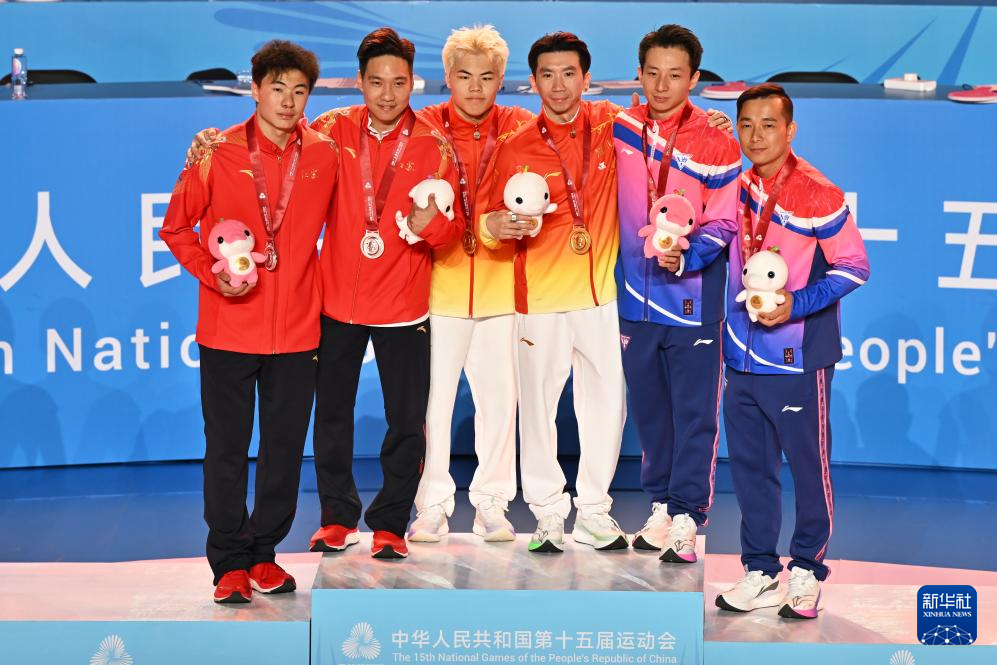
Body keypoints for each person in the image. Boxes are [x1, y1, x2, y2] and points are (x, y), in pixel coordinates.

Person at [677, 84, 870, 618]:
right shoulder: (734, 189)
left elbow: (855, 267)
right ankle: (760, 570)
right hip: (740, 357)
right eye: (746, 125)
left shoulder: (817, 193)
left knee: (808, 468)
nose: (756, 136)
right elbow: (700, 224)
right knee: (751, 470)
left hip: (798, 358)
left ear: (790, 130)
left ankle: (807, 571)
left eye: (769, 125)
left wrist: (796, 304)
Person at [161, 40, 338, 602]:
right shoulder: (217, 151)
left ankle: (264, 554)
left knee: (284, 451)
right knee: (227, 450)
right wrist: (212, 276)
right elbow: (176, 228)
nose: (288, 101)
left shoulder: (325, 155)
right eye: (277, 88)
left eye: (300, 91)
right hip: (229, 328)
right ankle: (229, 561)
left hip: (299, 331)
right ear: (255, 89)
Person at [306, 28, 464, 560]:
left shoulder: (433, 145)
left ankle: (391, 522)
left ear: (413, 82)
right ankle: (336, 517)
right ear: (360, 81)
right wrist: (213, 140)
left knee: (405, 421)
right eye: (377, 82)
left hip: (403, 303)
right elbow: (281, 149)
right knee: (332, 414)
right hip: (338, 302)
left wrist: (427, 226)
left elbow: (453, 228)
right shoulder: (330, 130)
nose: (388, 94)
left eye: (399, 83)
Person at [482, 32, 628, 553]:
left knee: (606, 406)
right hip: (538, 300)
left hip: (599, 297)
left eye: (569, 74)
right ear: (533, 81)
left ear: (587, 78)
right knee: (538, 410)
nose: (559, 85)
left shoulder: (614, 125)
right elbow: (486, 220)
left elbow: (669, 125)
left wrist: (713, 120)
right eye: (548, 75)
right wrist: (495, 226)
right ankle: (547, 513)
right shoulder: (514, 146)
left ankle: (594, 511)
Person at [613, 25, 741, 563]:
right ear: (639, 75)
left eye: (675, 75)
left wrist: (690, 256)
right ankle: (661, 506)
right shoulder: (620, 127)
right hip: (633, 299)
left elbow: (726, 220)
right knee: (651, 414)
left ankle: (688, 514)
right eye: (653, 74)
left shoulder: (717, 141)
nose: (662, 86)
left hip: (691, 300)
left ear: (694, 78)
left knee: (694, 414)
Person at [409, 26, 534, 543]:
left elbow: (584, 122)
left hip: (501, 289)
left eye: (487, 77)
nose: (476, 88)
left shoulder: (522, 126)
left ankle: (492, 505)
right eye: (464, 76)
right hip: (438, 287)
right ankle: (432, 505)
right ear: (447, 77)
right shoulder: (422, 126)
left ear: (502, 79)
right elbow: (351, 126)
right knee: (434, 403)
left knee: (500, 402)